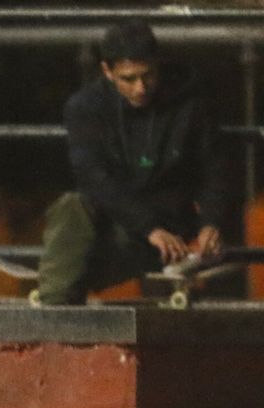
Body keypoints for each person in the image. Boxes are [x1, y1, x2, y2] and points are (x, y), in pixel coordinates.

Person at [34, 21, 232, 305]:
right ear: (107, 71)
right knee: (71, 206)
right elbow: (92, 178)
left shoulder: (191, 102)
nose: (141, 88)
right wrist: (149, 228)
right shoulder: (86, 108)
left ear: (158, 65)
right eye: (128, 79)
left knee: (84, 256)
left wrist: (210, 222)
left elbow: (214, 167)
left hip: (170, 227)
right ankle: (56, 298)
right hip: (120, 222)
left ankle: (60, 288)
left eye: (148, 75)